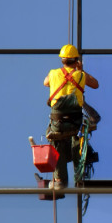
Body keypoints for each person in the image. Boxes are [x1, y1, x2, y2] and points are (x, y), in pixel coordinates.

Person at [42, 44, 100, 190]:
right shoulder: (81, 75)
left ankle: (60, 180)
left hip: (58, 122)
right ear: (76, 60)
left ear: (62, 60)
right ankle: (79, 177)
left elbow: (45, 82)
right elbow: (96, 84)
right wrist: (79, 70)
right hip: (75, 121)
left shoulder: (54, 73)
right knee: (77, 141)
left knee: (57, 141)